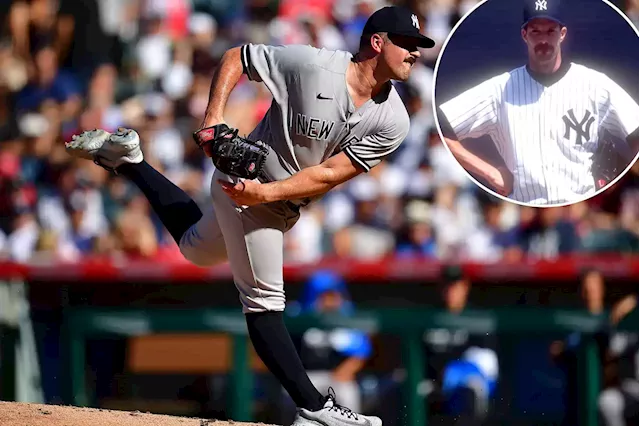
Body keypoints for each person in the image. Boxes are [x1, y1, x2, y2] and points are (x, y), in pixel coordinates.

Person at [64, 5, 435, 426]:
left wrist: (269, 193)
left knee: (196, 251)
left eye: (419, 46)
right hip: (243, 186)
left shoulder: (394, 119)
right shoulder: (314, 65)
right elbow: (236, 57)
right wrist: (213, 119)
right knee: (264, 302)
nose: (415, 53)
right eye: (408, 43)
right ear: (377, 42)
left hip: (272, 197)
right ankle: (314, 408)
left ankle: (130, 162)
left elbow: (329, 174)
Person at [436, 0, 639, 206]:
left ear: (562, 34)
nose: (544, 39)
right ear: (524, 35)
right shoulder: (501, 89)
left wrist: (620, 182)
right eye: (536, 31)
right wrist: (490, 172)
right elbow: (442, 127)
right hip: (524, 205)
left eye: (550, 31)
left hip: (581, 205)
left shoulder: (595, 85)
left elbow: (636, 130)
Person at [550, 268, 640, 426]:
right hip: (579, 396)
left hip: (613, 391)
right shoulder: (575, 322)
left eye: (594, 287)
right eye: (586, 288)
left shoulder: (612, 318)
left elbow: (613, 353)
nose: (590, 292)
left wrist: (633, 300)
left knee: (609, 403)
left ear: (602, 289)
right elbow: (556, 351)